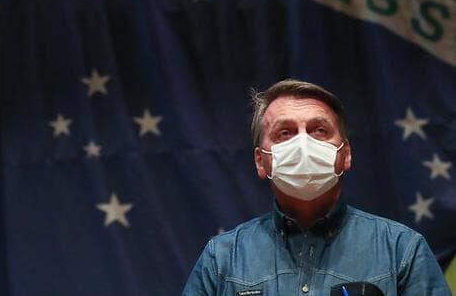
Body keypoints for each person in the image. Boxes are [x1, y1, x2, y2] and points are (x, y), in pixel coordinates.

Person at [182, 79, 450, 295]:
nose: (303, 144)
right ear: (261, 161)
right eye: (284, 133)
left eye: (319, 130)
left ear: (345, 154)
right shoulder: (222, 259)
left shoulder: (401, 250)